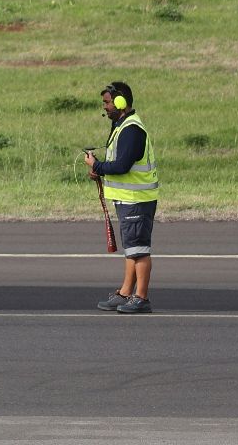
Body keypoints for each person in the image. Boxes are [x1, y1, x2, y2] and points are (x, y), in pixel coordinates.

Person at [83, 81, 158, 313]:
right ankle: (126, 292)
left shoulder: (131, 129)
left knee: (139, 249)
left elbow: (123, 165)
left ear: (120, 102)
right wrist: (100, 170)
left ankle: (141, 298)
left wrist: (98, 165)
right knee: (131, 249)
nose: (104, 107)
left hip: (136, 199)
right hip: (128, 198)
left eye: (107, 102)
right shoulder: (122, 125)